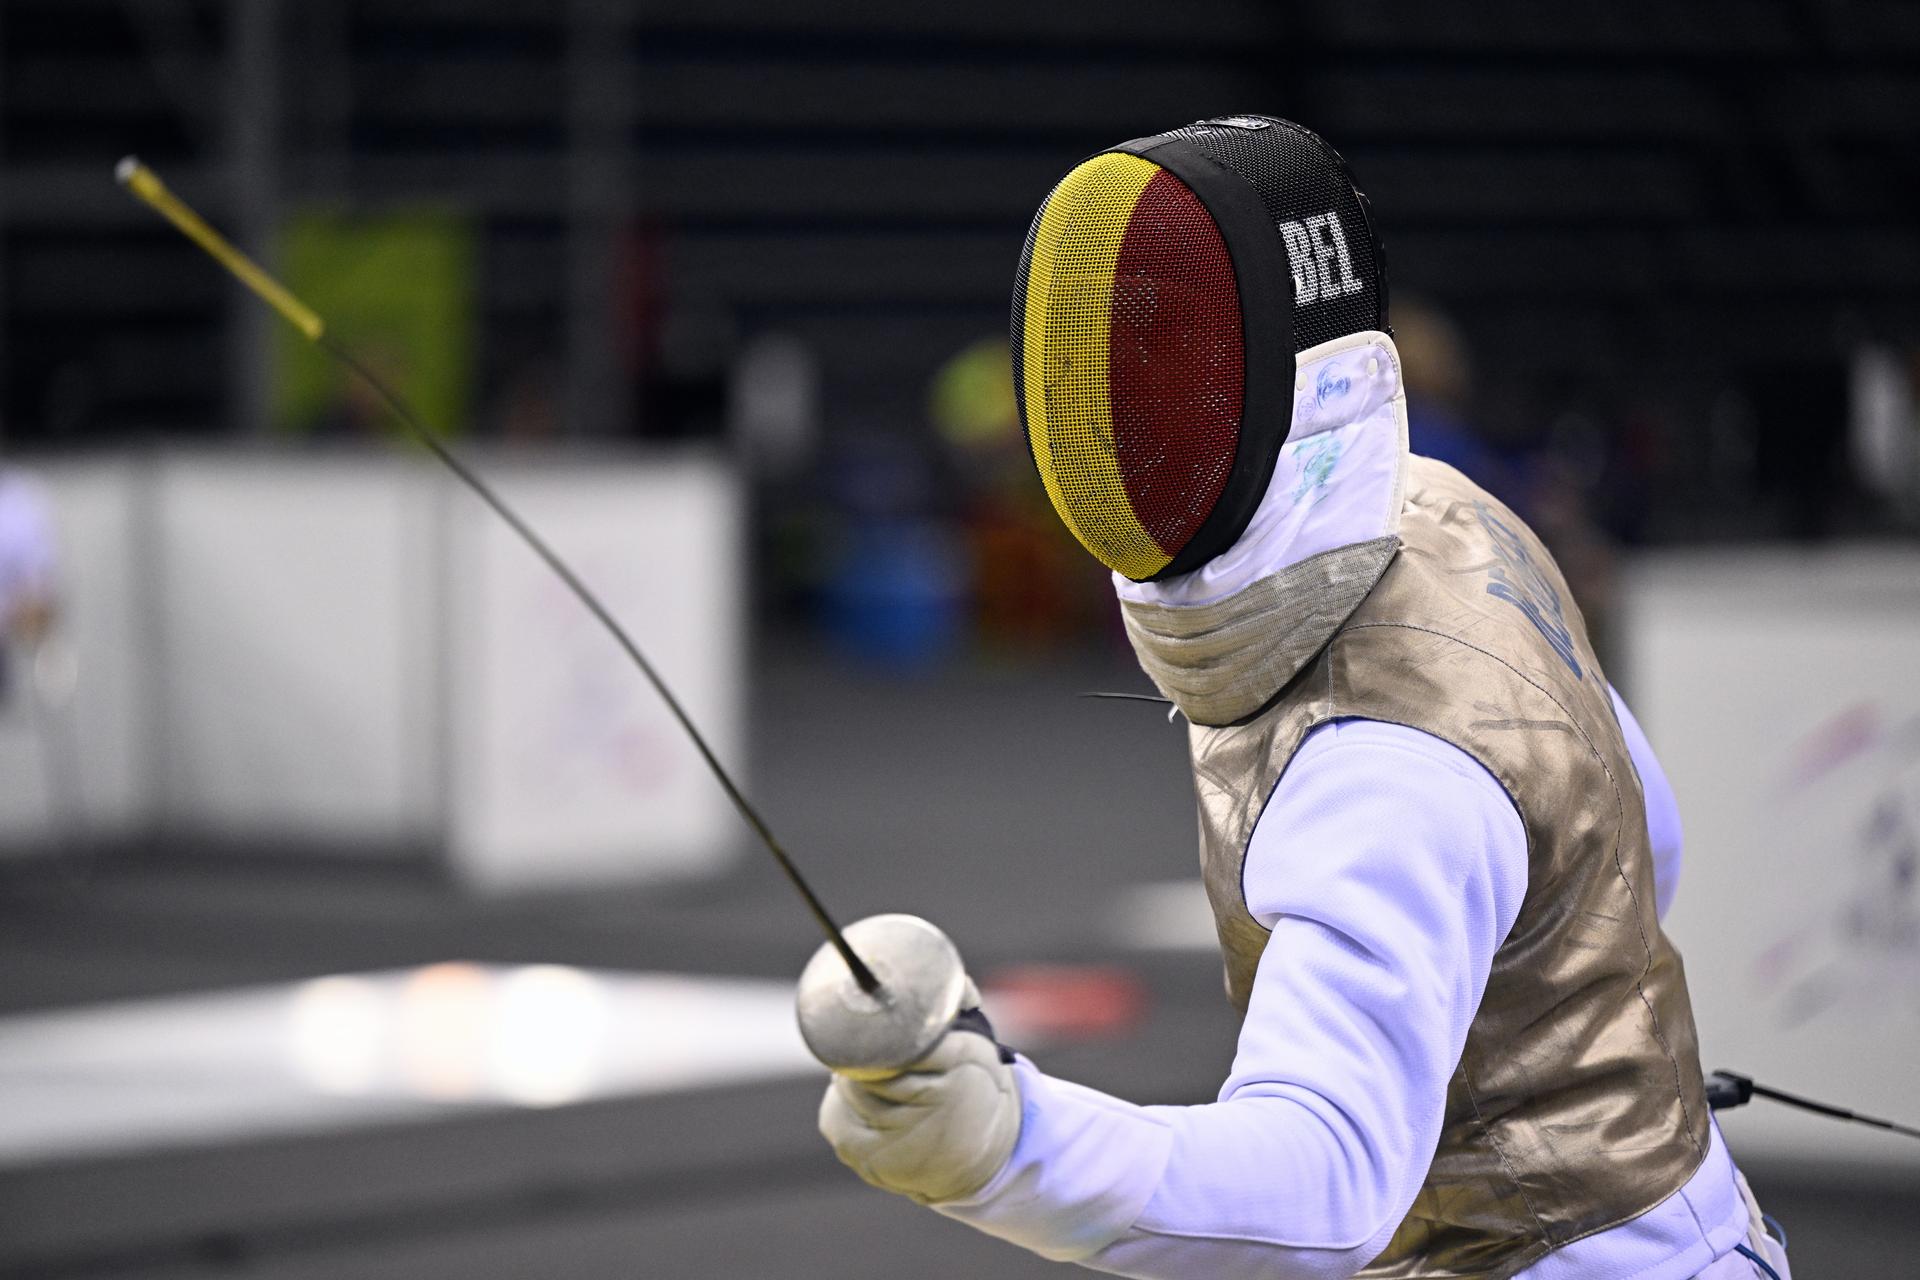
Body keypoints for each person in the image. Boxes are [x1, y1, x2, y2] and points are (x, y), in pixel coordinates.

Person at [812, 117, 1791, 1279]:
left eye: (1164, 372)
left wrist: (1003, 1141)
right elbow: (1643, 840)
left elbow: (1325, 1184)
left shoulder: (1380, 757)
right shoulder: (1450, 513)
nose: (1115, 414)